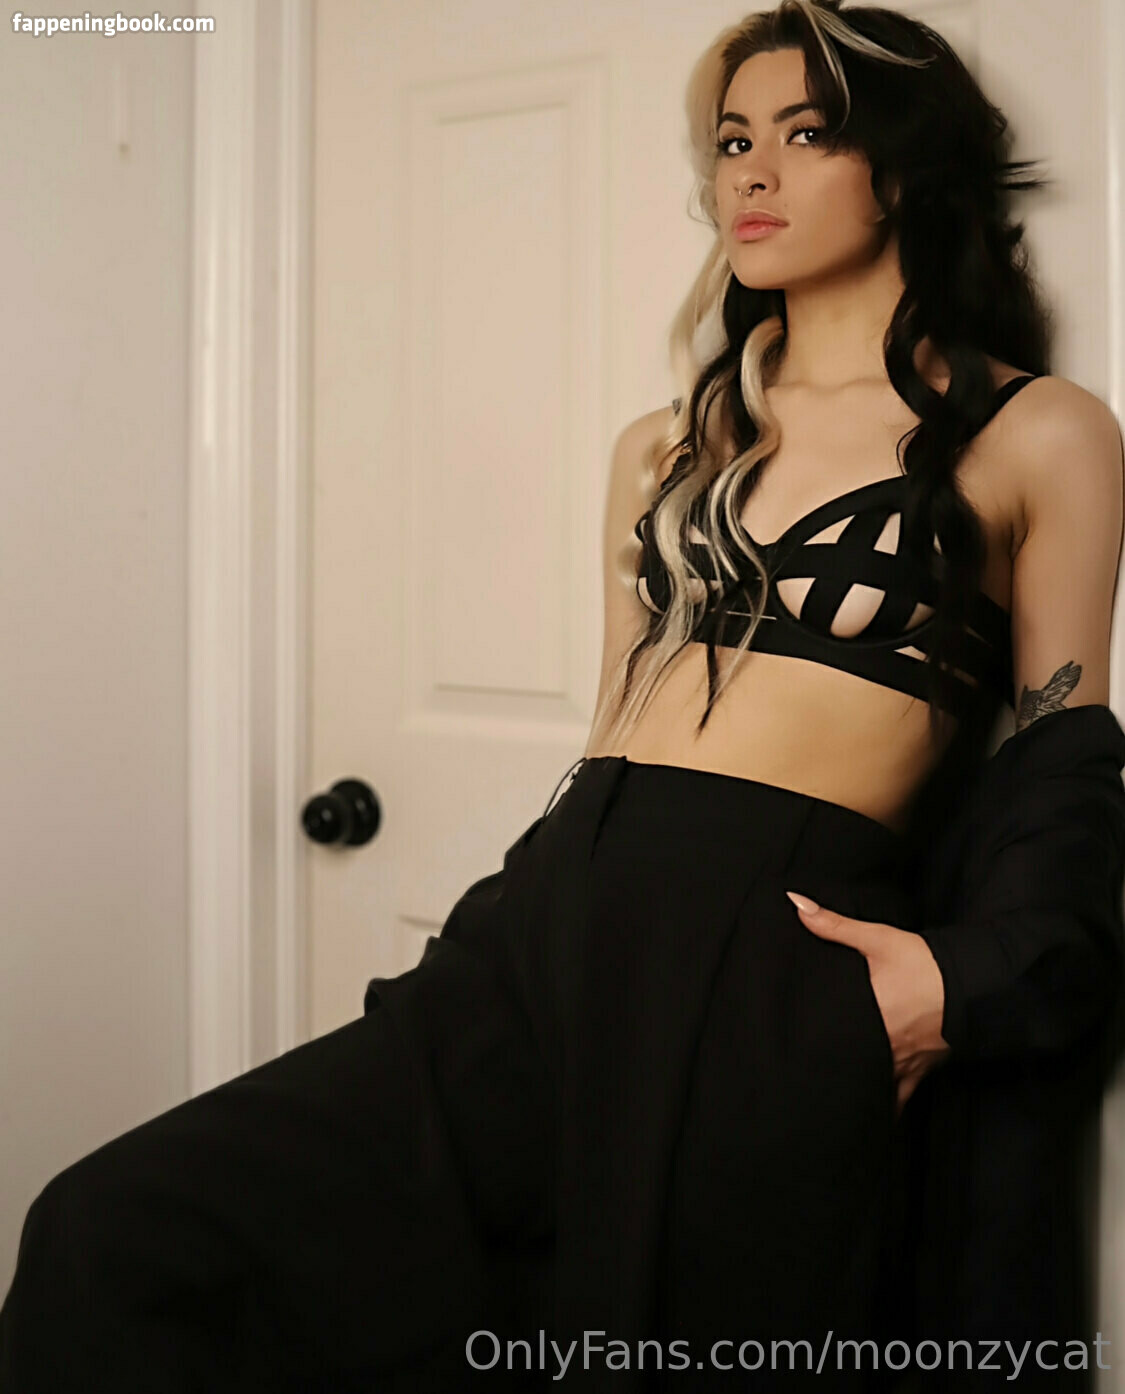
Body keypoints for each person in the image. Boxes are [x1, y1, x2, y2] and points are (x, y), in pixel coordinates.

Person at [2, 1, 1123, 1390]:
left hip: (764, 971)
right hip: (542, 941)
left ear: (901, 168)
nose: (752, 173)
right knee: (112, 1238)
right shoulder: (666, 446)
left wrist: (961, 981)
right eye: (732, 141)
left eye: (804, 133)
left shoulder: (1034, 430)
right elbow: (613, 727)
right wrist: (532, 911)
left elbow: (1060, 761)